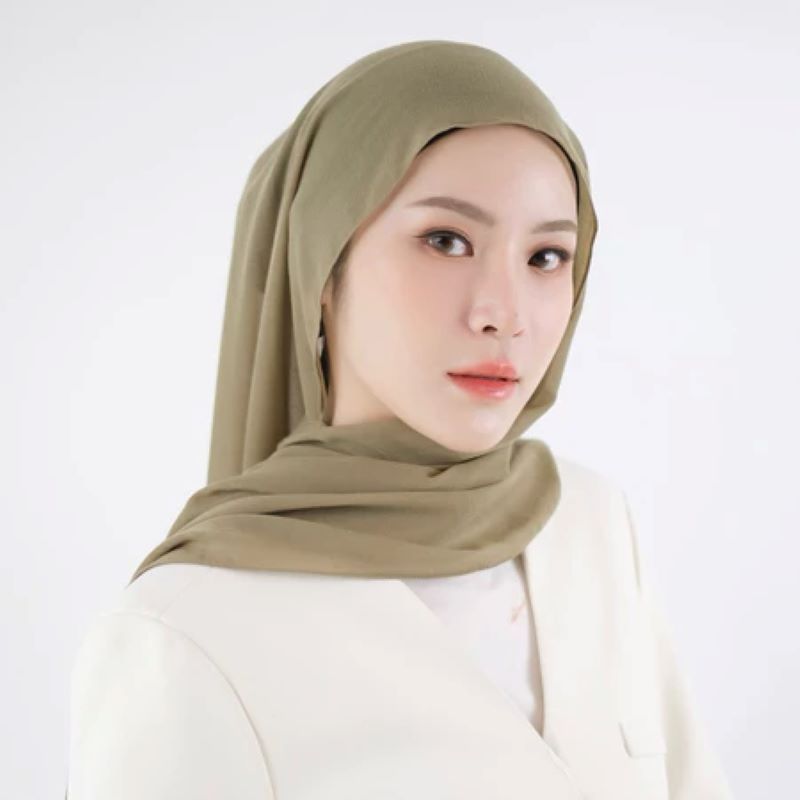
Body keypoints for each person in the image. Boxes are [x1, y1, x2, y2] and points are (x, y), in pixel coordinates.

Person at [64, 40, 734, 799]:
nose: (505, 313)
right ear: (322, 265)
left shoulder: (589, 525)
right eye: (446, 241)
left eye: (546, 256)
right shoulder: (184, 636)